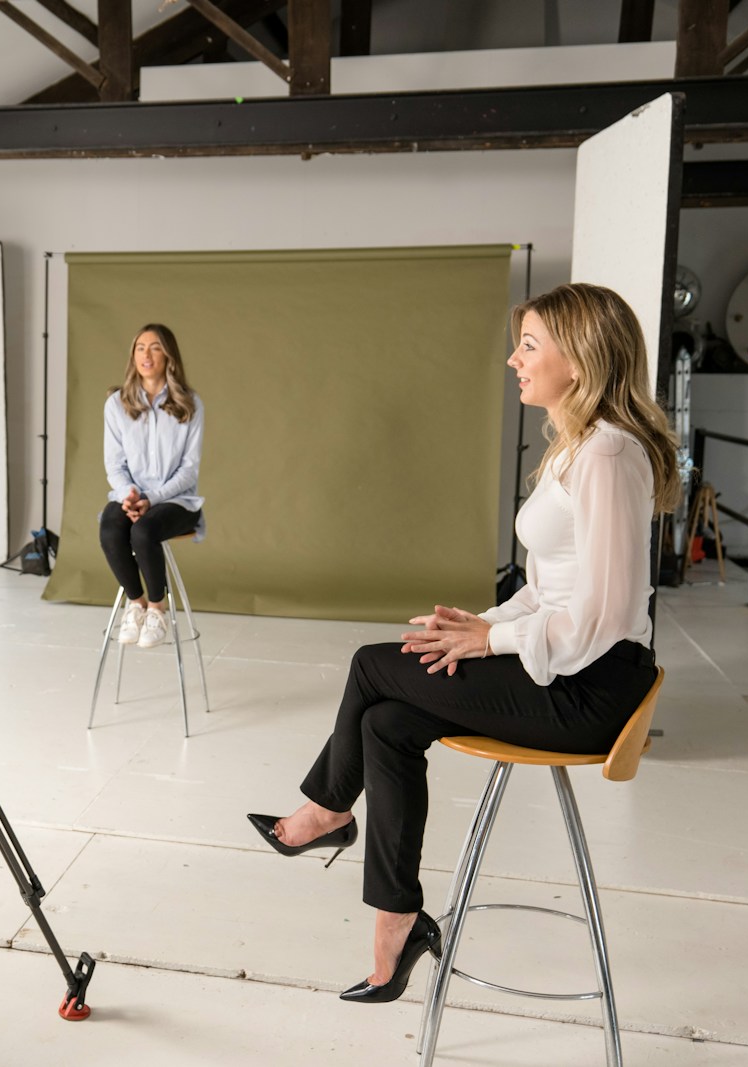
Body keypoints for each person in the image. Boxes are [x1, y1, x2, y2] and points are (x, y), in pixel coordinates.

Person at [248, 283, 679, 1004]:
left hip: (592, 689)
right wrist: (475, 628)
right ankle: (397, 923)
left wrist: (492, 642)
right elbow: (548, 590)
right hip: (560, 666)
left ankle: (325, 810)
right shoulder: (576, 449)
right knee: (387, 721)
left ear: (579, 359)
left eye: (530, 345)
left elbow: (605, 615)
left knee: (371, 666)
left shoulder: (609, 455)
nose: (515, 359)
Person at [100, 323, 205, 649]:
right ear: (133, 355)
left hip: (177, 500)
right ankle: (137, 604)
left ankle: (158, 610)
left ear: (168, 355)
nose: (147, 355)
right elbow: (114, 465)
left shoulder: (189, 403)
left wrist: (151, 497)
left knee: (143, 531)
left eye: (155, 347)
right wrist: (131, 495)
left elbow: (189, 470)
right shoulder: (116, 404)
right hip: (131, 496)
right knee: (110, 526)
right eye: (140, 348)